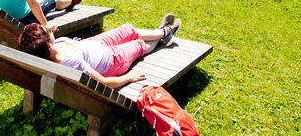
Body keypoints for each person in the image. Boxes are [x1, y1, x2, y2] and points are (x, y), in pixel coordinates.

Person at [17, 14, 182, 89]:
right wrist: (128, 77)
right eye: (44, 31)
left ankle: (161, 33)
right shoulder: (70, 62)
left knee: (127, 29)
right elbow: (103, 82)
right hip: (112, 60)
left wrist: (47, 30)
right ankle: (164, 33)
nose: (47, 30)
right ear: (47, 43)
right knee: (138, 44)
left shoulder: (50, 50)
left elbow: (47, 36)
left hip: (95, 45)